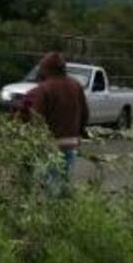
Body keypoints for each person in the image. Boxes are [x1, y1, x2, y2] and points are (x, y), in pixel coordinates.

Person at [21, 52, 89, 186]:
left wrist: (30, 140)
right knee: (63, 184)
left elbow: (35, 118)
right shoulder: (76, 86)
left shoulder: (44, 89)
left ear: (46, 69)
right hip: (71, 143)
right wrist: (80, 131)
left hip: (50, 145)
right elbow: (85, 114)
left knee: (50, 188)